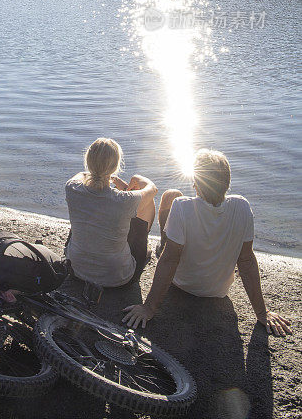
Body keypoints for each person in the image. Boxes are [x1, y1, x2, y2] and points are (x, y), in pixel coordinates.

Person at [123, 149, 292, 337]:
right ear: (227, 183)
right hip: (218, 290)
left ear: (196, 183)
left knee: (171, 196)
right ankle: (173, 240)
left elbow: (169, 260)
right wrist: (262, 312)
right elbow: (246, 261)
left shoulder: (182, 207)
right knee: (176, 198)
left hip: (182, 283)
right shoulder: (242, 206)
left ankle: (164, 240)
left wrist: (149, 308)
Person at [65, 137, 158, 288]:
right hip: (117, 278)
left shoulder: (72, 188)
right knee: (148, 202)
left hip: (76, 270)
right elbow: (152, 188)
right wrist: (129, 181)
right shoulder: (124, 200)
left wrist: (102, 175)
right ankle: (142, 249)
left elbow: (82, 175)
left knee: (83, 209)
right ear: (115, 167)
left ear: (88, 162)